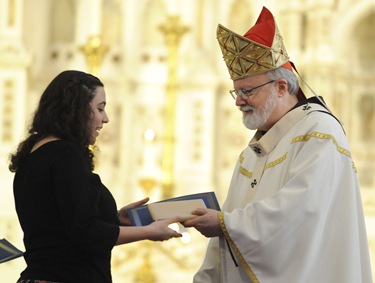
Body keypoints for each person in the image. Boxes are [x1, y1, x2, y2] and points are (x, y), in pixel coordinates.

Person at [183, 7, 373, 283]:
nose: (238, 100)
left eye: (248, 91)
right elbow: (225, 240)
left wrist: (224, 223)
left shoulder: (319, 132)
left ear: (281, 87)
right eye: (237, 91)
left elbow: (300, 212)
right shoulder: (254, 152)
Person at [9, 70, 182, 283]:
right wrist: (148, 231)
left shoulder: (35, 153)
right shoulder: (65, 155)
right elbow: (86, 233)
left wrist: (115, 218)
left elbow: (60, 223)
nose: (105, 119)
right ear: (77, 110)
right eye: (100, 109)